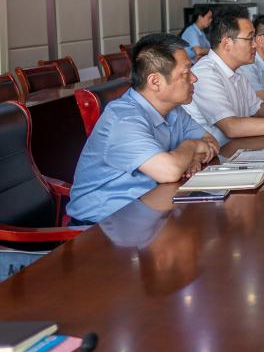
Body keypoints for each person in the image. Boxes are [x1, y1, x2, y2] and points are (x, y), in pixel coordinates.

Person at [66, 34, 219, 224]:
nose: (194, 78)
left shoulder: (174, 110)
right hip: (102, 226)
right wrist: (192, 146)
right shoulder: (123, 119)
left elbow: (211, 142)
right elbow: (169, 171)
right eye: (186, 73)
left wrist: (193, 157)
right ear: (155, 82)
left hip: (150, 211)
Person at [182, 5, 264, 145]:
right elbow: (231, 127)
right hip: (218, 154)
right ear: (227, 43)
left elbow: (258, 108)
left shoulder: (238, 70)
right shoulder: (205, 74)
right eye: (249, 39)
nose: (255, 45)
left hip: (239, 146)